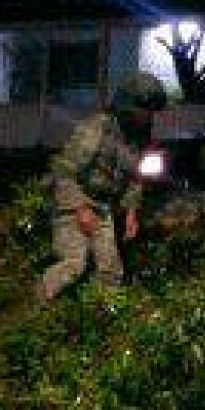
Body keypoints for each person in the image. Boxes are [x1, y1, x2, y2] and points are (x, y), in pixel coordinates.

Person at [37, 71, 168, 301]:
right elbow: (64, 172)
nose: (148, 117)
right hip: (72, 203)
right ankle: (37, 307)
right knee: (73, 265)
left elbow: (135, 179)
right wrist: (81, 209)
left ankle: (101, 319)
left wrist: (131, 213)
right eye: (144, 110)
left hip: (103, 206)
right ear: (128, 106)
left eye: (151, 112)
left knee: (110, 271)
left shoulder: (138, 138)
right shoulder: (96, 130)